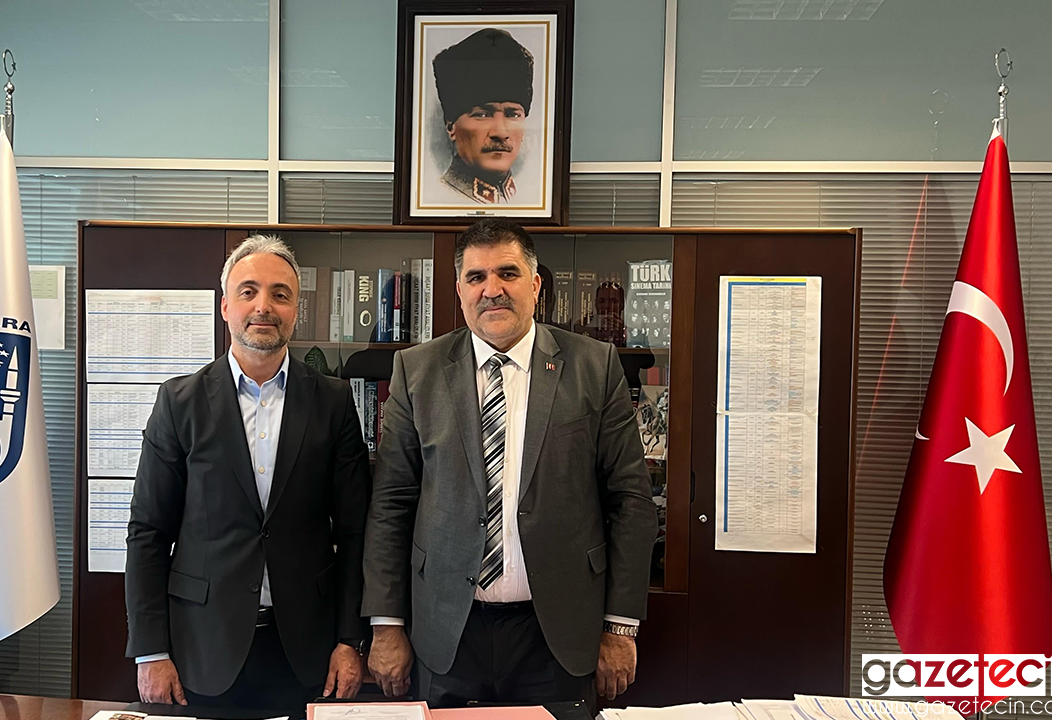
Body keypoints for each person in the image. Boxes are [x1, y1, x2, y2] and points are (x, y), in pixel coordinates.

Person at [362, 219, 656, 712]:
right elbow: (391, 504)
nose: (492, 290)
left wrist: (620, 626)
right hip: (446, 632)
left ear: (535, 285)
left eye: (508, 273)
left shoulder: (595, 366)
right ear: (459, 290)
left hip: (558, 633)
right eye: (476, 277)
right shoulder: (417, 370)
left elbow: (630, 502)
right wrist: (386, 624)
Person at [126, 235, 370, 714]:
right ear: (226, 307)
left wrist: (349, 640)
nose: (264, 306)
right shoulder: (179, 403)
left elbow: (355, 532)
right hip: (200, 647)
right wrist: (150, 651)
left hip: (306, 649)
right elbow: (148, 533)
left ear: (296, 310)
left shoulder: (334, 402)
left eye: (280, 294)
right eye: (249, 292)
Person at [432, 28, 533, 205]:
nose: (500, 133)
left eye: (513, 114)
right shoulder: (437, 196)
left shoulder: (529, 196)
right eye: (483, 115)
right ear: (450, 125)